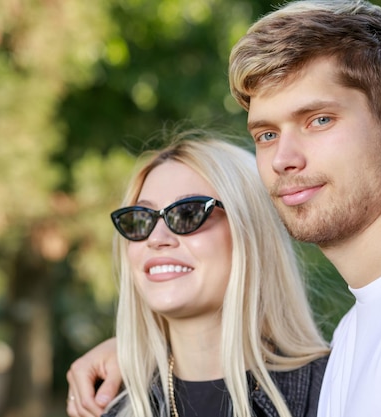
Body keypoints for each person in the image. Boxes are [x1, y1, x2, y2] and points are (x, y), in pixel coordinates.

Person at [69, 1, 381, 416]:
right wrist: (136, 354)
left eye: (319, 120)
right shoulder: (364, 327)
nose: (283, 159)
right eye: (267, 134)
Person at [66, 131, 329, 417]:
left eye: (188, 213)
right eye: (141, 219)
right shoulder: (110, 402)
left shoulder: (334, 386)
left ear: (251, 232)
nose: (157, 238)